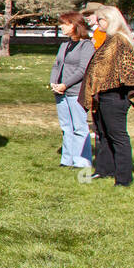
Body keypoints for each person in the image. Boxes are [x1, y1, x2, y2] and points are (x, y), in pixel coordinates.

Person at [79, 5, 134, 186]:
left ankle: (123, 178)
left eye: (101, 19)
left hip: (115, 95)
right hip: (103, 94)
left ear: (111, 20)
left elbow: (127, 71)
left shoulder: (119, 41)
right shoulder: (108, 40)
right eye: (97, 19)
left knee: (118, 136)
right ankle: (104, 169)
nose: (98, 22)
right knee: (103, 134)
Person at [50, 11, 95, 168]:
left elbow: (83, 70)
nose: (61, 27)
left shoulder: (87, 45)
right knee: (66, 127)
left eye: (65, 23)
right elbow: (57, 65)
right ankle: (67, 160)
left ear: (75, 25)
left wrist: (65, 84)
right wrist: (54, 83)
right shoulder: (65, 45)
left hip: (76, 92)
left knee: (79, 127)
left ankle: (82, 161)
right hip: (60, 92)